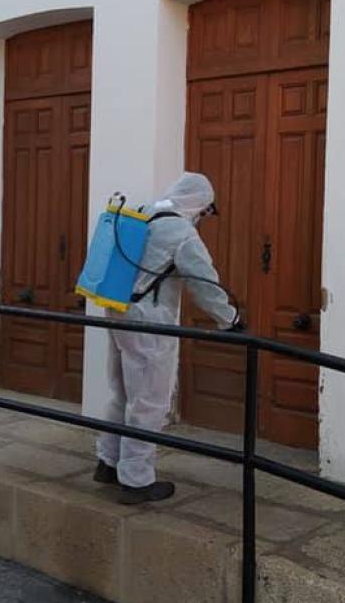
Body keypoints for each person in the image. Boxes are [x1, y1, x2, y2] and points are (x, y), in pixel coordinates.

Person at [94, 172, 241, 504]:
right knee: (149, 401)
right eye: (207, 210)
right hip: (149, 321)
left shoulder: (143, 212)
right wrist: (229, 319)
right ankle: (136, 481)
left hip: (117, 309)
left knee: (122, 392)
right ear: (199, 204)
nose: (204, 217)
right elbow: (204, 284)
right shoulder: (181, 232)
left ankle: (108, 461)